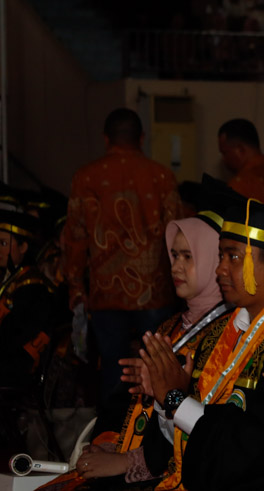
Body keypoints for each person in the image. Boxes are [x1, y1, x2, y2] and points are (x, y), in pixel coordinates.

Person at [120, 199, 264, 491]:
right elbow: (181, 445)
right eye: (220, 256)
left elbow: (245, 456)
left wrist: (174, 399)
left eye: (233, 257)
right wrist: (164, 398)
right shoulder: (221, 331)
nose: (220, 269)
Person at [41, 205, 231, 491]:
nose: (175, 267)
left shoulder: (227, 337)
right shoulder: (169, 328)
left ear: (215, 261)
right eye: (174, 255)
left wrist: (128, 462)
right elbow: (124, 397)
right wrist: (107, 443)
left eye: (188, 256)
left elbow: (208, 430)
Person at [61, 108, 182, 406]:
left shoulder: (86, 177)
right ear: (141, 138)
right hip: (154, 292)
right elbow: (177, 234)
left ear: (106, 139)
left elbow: (74, 238)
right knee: (159, 367)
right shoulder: (162, 176)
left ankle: (112, 428)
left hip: (106, 292)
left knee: (113, 369)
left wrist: (75, 286)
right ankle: (154, 427)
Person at [0, 203, 58, 388]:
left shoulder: (33, 286)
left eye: (3, 244)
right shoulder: (7, 276)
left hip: (14, 364)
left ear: (23, 247)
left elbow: (16, 334)